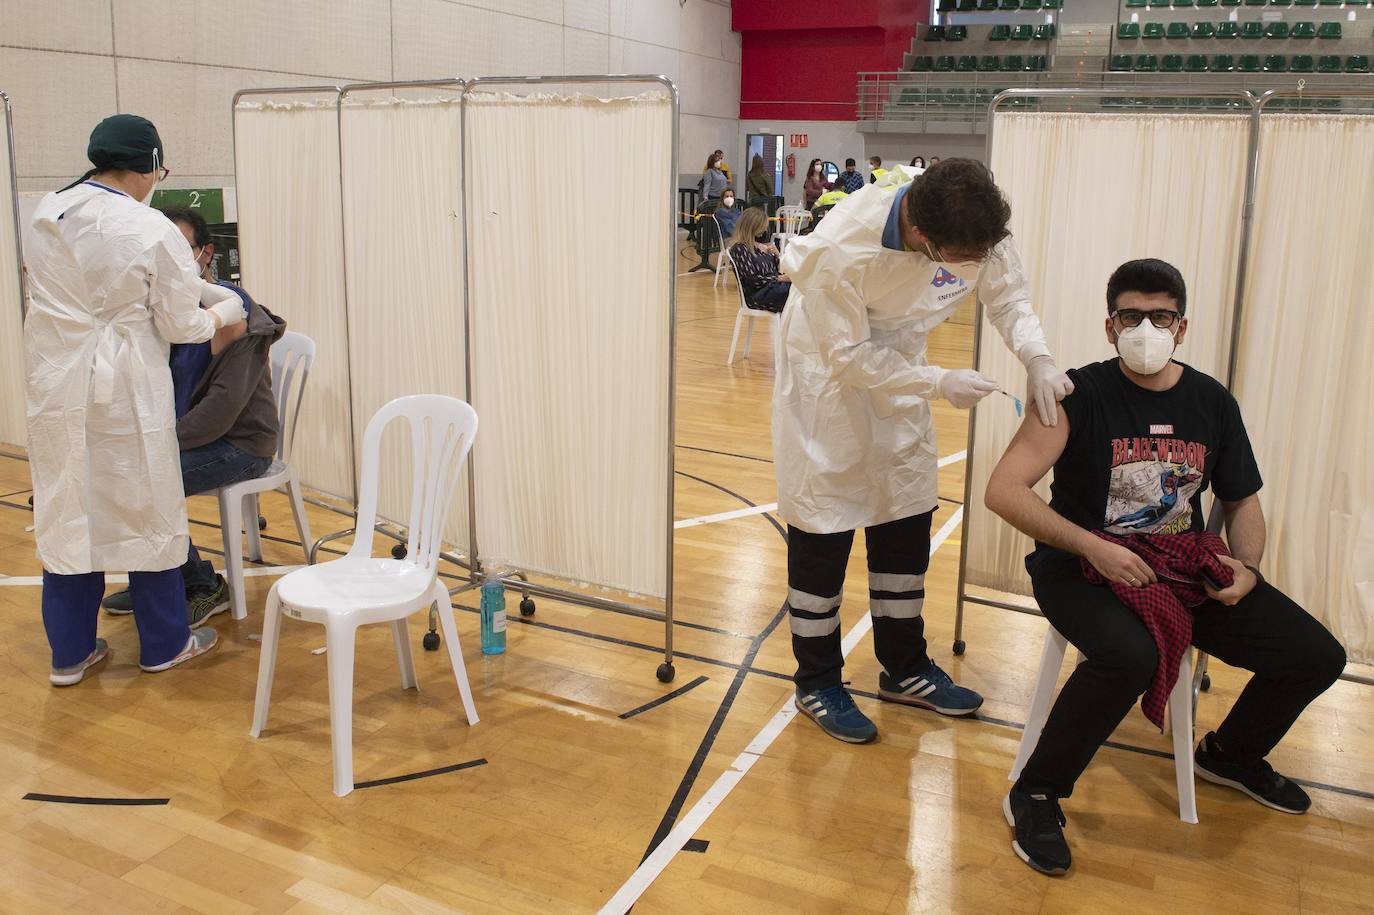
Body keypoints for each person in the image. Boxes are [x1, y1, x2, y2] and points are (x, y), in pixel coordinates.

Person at [984, 258, 1346, 877]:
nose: (1145, 328)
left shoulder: (1211, 402)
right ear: (1109, 325)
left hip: (1179, 566)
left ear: (1181, 327)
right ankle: (1036, 791)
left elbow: (1242, 500)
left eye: (1160, 316)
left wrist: (1243, 568)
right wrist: (1093, 546)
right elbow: (1005, 491)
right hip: (1081, 566)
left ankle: (1231, 754)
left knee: (1317, 655)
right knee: (1131, 655)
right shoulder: (1078, 394)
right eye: (1131, 316)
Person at [774, 157, 1072, 743]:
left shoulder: (972, 222)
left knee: (905, 513)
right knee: (825, 525)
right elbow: (849, 358)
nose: (971, 269)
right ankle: (816, 682)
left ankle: (904, 668)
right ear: (920, 238)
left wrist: (1037, 356)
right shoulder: (841, 248)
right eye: (958, 262)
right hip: (829, 380)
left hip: (903, 363)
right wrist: (937, 382)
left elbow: (1008, 297)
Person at [24, 114, 246, 685]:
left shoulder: (47, 212)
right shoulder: (150, 228)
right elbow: (179, 324)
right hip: (124, 384)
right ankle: (165, 643)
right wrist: (224, 309)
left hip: (58, 378)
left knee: (70, 507)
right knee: (146, 504)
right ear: (149, 165)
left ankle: (69, 655)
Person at [101, 207, 287, 627]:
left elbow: (215, 418)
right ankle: (159, 577)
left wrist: (149, 444)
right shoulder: (161, 312)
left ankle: (201, 583)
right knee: (123, 474)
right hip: (186, 435)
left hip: (240, 446)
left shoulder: (233, 312)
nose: (167, 261)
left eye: (179, 249)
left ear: (204, 254)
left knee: (144, 482)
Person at [726, 207, 790, 313]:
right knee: (796, 295)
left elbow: (778, 270)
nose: (765, 230)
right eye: (762, 227)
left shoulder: (763, 247)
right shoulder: (740, 248)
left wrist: (778, 256)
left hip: (772, 288)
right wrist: (780, 278)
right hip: (757, 296)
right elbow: (752, 279)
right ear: (753, 227)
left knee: (800, 288)